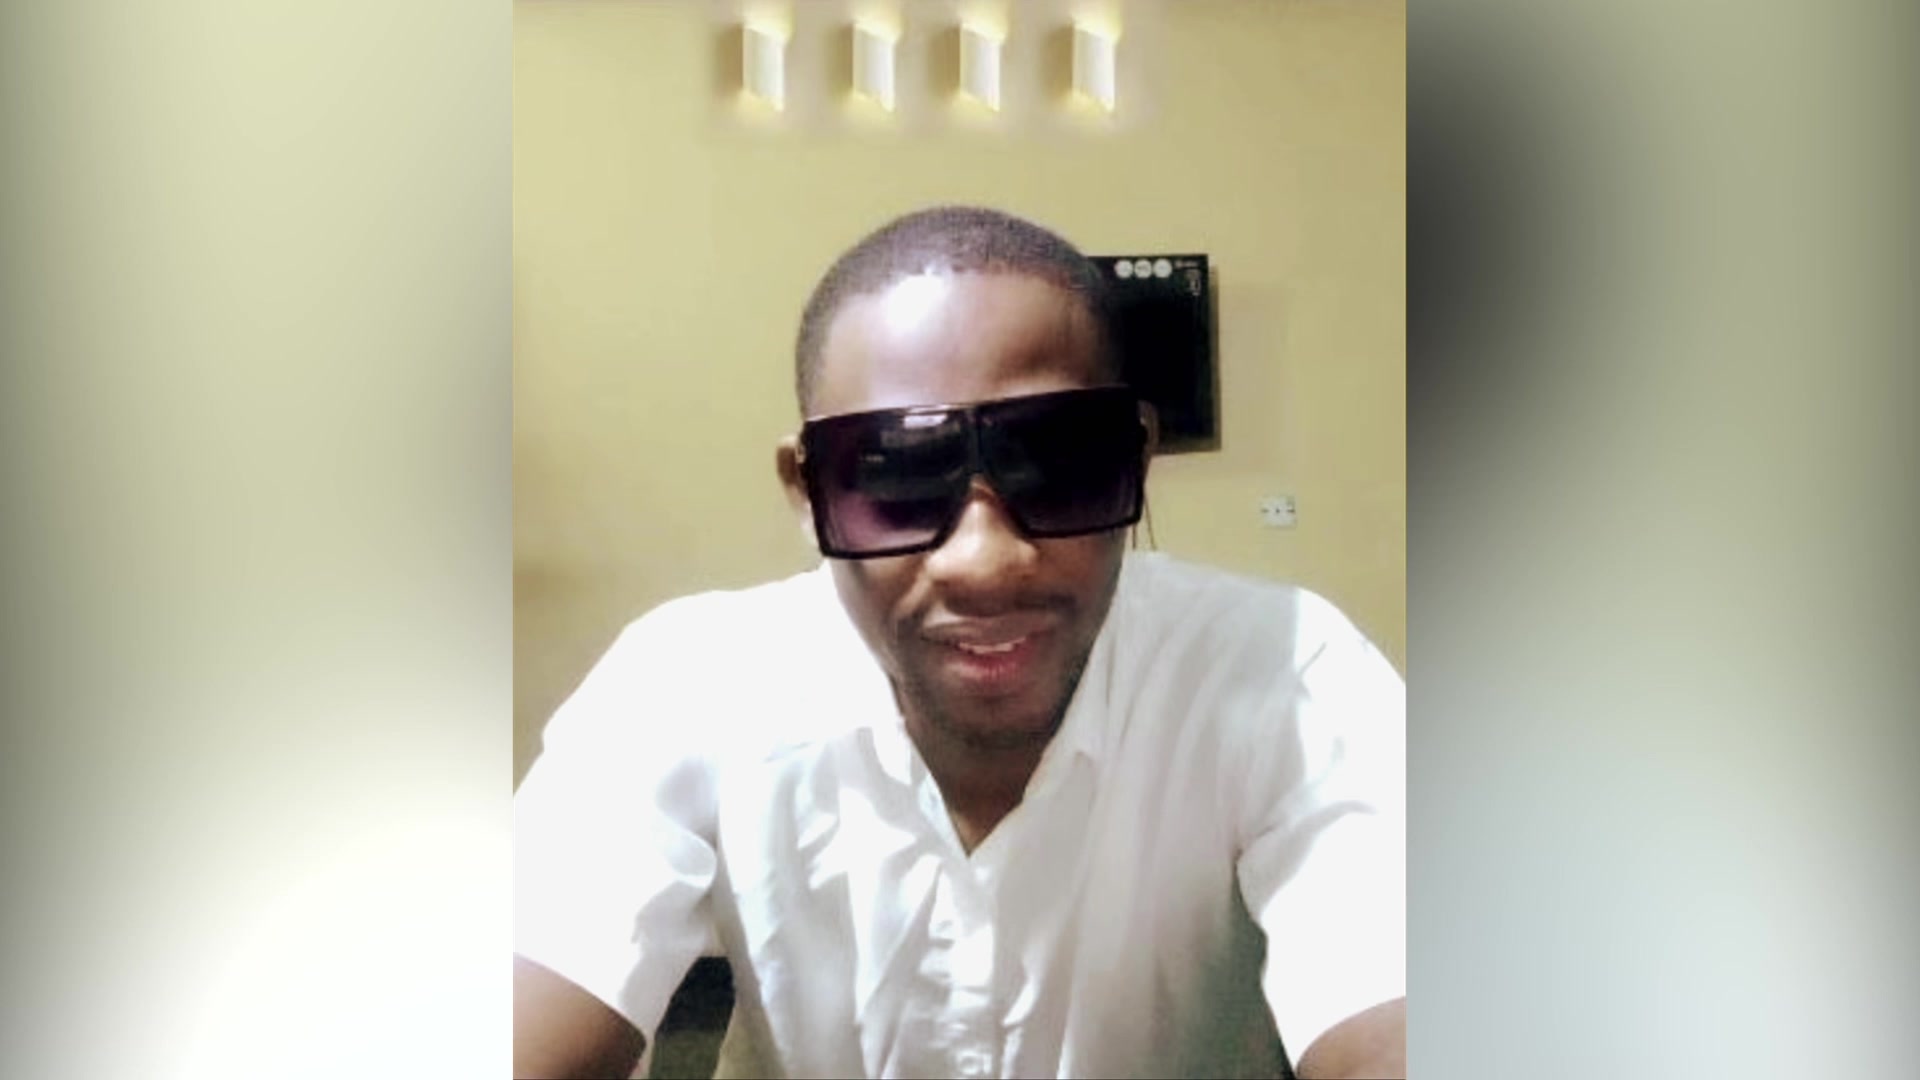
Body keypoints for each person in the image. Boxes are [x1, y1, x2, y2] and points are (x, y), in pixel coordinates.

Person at [514, 206, 1406, 1079]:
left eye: (1057, 461)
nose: (984, 561)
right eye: (898, 474)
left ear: (1134, 460)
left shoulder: (1286, 668)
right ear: (807, 493)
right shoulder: (687, 681)